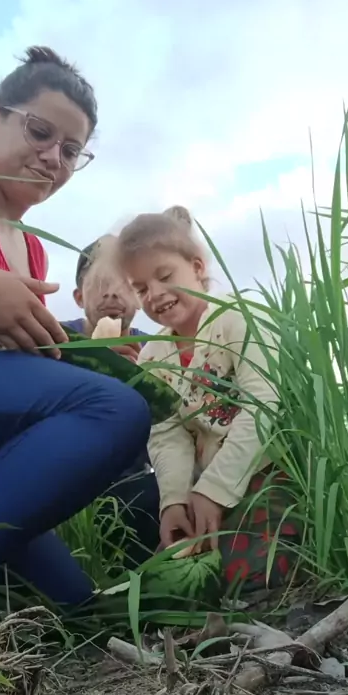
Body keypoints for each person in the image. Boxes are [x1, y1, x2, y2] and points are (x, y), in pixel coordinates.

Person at [0, 46, 151, 607]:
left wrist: (71, 357)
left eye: (71, 150)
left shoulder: (33, 252)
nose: (53, 157)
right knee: (113, 410)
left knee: (75, 608)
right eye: (40, 132)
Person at [111, 205, 299, 592]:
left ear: (197, 267)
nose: (155, 294)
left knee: (248, 575)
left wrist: (215, 490)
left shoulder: (237, 320)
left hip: (266, 474)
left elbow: (262, 405)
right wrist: (174, 501)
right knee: (177, 574)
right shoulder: (153, 356)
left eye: (165, 276)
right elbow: (167, 434)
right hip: (203, 488)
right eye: (141, 289)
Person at [61, 236, 161, 567]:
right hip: (70, 479)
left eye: (124, 284)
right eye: (101, 283)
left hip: (140, 482)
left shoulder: (158, 351)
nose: (112, 294)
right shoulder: (54, 342)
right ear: (79, 296)